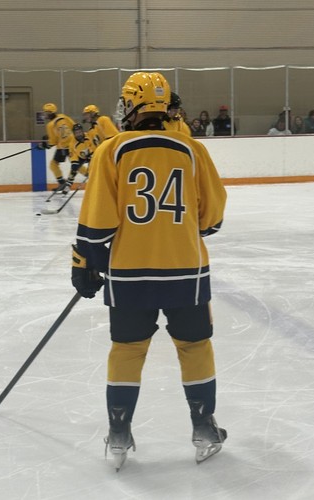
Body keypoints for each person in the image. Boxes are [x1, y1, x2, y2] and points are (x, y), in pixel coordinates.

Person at [71, 71, 228, 470]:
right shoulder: (192, 150)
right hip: (186, 271)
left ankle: (119, 433)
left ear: (132, 104)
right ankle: (204, 428)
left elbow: (98, 223)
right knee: (195, 346)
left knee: (127, 349)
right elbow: (211, 219)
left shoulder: (113, 150)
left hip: (129, 273)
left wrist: (86, 260)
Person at [38, 102, 75, 192]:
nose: (45, 114)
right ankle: (89, 174)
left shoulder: (50, 125)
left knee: (54, 164)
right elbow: (74, 126)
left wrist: (44, 145)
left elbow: (53, 141)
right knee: (77, 164)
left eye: (46, 112)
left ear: (50, 113)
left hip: (63, 147)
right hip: (73, 144)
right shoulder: (63, 117)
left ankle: (62, 183)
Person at [62, 123, 96, 193]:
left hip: (91, 155)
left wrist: (91, 153)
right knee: (74, 170)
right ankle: (68, 184)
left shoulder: (89, 136)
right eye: (76, 133)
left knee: (93, 169)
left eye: (80, 132)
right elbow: (72, 155)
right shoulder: (72, 143)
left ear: (82, 131)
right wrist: (74, 163)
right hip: (80, 157)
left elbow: (93, 146)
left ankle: (94, 182)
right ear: (74, 134)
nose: (79, 134)